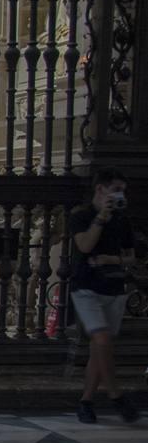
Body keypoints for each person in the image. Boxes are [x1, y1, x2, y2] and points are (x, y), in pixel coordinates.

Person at [69, 167, 139, 424]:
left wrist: (112, 258)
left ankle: (86, 402)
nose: (121, 195)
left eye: (123, 191)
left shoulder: (123, 220)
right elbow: (84, 246)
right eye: (116, 190)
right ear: (100, 189)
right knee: (101, 339)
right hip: (86, 286)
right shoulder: (82, 215)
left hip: (114, 287)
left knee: (100, 348)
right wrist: (102, 216)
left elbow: (132, 256)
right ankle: (116, 394)